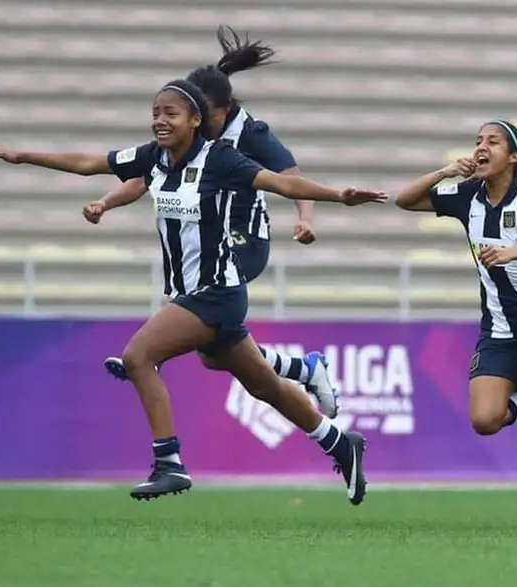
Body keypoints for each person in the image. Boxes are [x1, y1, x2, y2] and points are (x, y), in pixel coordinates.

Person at [0, 79, 388, 504]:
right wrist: (20, 155)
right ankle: (339, 441)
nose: (159, 121)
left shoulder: (222, 159)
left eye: (170, 113)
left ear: (195, 120)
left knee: (139, 356)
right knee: (263, 385)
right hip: (194, 293)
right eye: (155, 113)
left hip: (216, 292)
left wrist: (338, 195)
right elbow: (88, 163)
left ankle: (169, 463)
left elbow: (282, 183)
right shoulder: (154, 158)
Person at [84, 26, 336, 418]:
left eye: (207, 117)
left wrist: (306, 218)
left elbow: (291, 175)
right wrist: (105, 202)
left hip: (244, 241)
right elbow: (143, 177)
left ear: (223, 109)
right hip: (212, 240)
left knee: (200, 282)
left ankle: (149, 354)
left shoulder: (249, 133)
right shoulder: (186, 144)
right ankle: (304, 369)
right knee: (216, 355)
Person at [395, 120, 517, 530]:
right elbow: (404, 201)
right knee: (484, 421)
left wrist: (514, 252)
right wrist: (446, 172)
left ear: (513, 156)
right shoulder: (468, 196)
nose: (481, 147)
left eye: (492, 142)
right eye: (478, 141)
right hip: (498, 327)